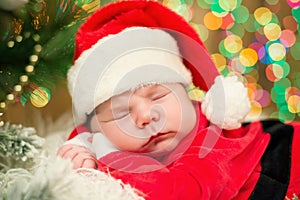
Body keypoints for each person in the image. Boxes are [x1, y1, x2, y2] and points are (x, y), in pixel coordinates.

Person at [58, 1, 300, 199]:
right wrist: (80, 150)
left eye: (158, 96)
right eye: (121, 113)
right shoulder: (111, 140)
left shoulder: (211, 138)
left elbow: (182, 193)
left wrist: (105, 162)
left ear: (186, 95)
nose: (145, 117)